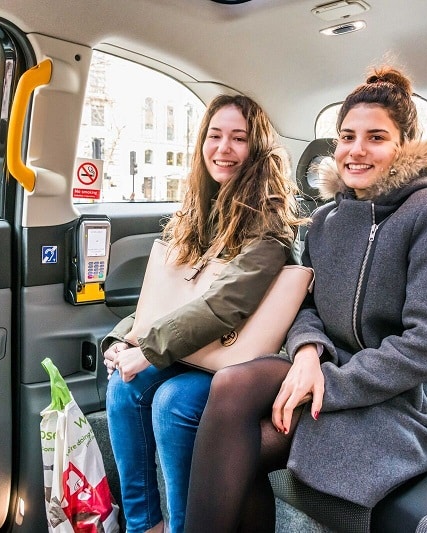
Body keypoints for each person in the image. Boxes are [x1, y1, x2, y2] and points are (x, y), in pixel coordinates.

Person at [184, 65, 427, 532]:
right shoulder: (325, 220)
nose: (356, 150)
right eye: (346, 136)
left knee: (247, 453)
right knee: (231, 385)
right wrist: (305, 354)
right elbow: (307, 307)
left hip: (402, 397)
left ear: (405, 146)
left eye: (376, 137)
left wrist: (328, 384)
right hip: (329, 364)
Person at [102, 94, 302, 533]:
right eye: (215, 136)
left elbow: (224, 305)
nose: (223, 148)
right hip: (190, 347)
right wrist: (123, 339)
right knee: (123, 387)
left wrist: (150, 350)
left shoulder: (269, 223)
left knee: (173, 402)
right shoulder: (197, 210)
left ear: (258, 149)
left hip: (234, 358)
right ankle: (143, 525)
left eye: (238, 138)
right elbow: (168, 292)